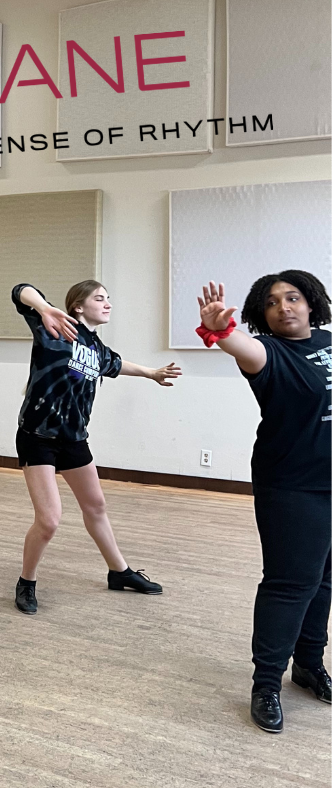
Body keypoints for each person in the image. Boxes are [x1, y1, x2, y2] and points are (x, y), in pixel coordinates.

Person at [197, 273, 331, 734]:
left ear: (311, 303)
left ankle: (310, 665)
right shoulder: (268, 353)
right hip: (292, 485)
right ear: (263, 314)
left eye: (293, 298)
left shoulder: (331, 341)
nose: (284, 307)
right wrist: (221, 330)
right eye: (272, 303)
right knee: (291, 583)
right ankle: (266, 684)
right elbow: (241, 346)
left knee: (325, 579)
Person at [11, 281, 181, 614]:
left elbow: (117, 365)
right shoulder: (56, 327)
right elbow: (20, 290)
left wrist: (151, 373)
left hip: (74, 438)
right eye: (99, 298)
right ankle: (26, 582)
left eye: (108, 299)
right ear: (78, 306)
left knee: (96, 506)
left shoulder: (96, 347)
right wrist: (45, 309)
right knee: (49, 521)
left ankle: (119, 572)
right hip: (38, 436)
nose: (108, 304)